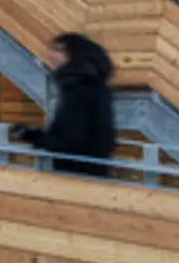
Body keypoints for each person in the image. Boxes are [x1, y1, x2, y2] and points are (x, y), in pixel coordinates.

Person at [13, 32, 117, 177]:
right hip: (90, 168)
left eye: (58, 50)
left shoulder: (79, 89)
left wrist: (34, 137)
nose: (52, 55)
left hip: (77, 171)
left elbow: (71, 138)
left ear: (74, 54)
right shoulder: (91, 85)